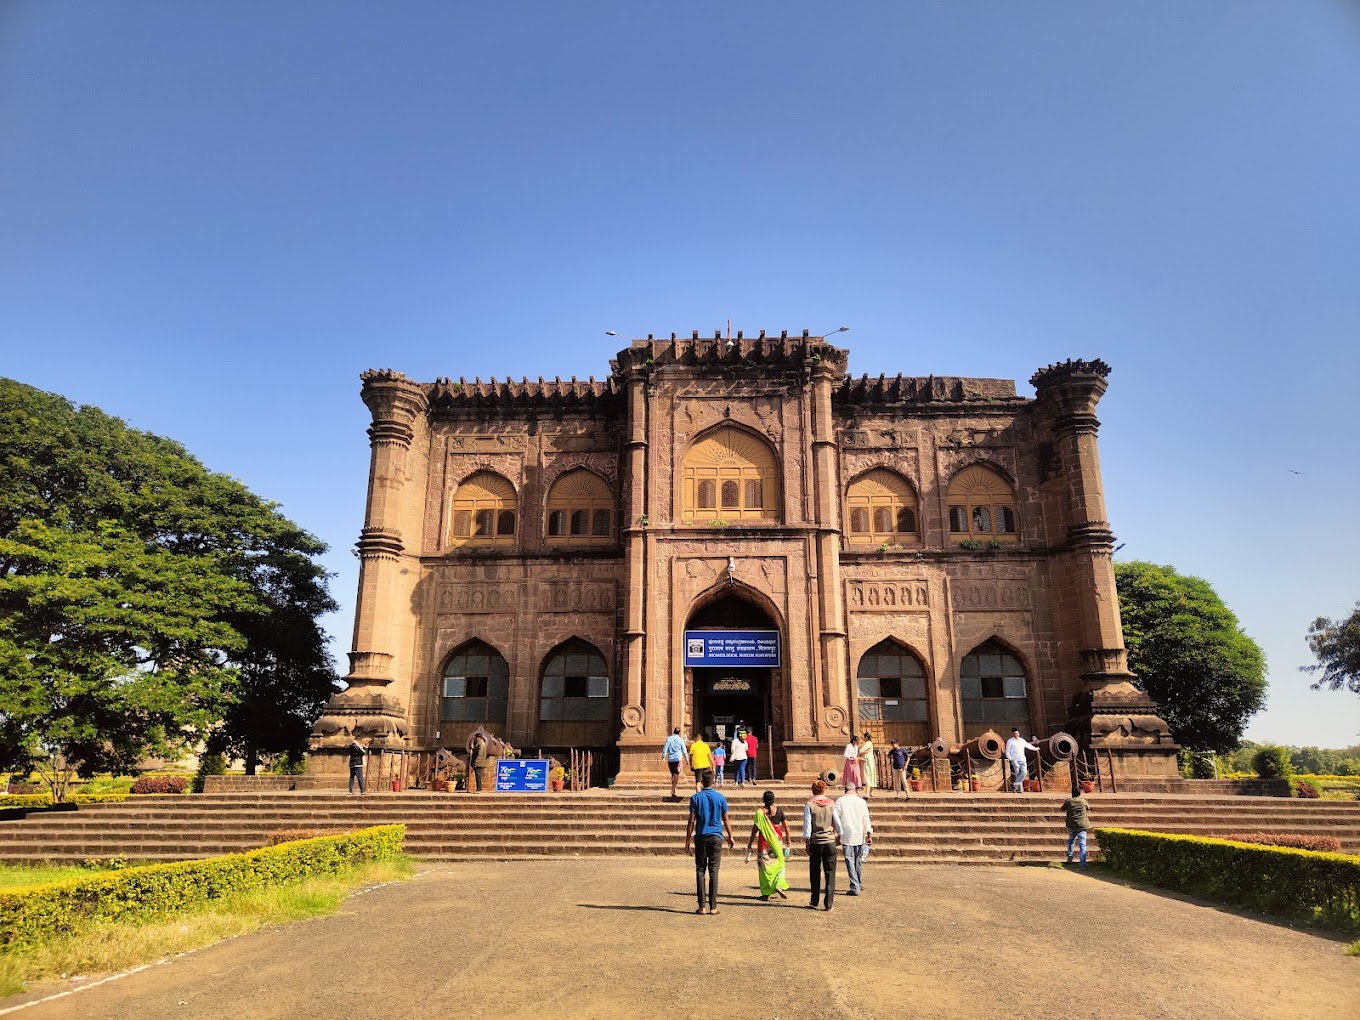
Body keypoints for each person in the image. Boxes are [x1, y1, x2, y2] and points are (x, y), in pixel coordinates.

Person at [683, 770, 735, 914]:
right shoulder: (720, 798)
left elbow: (691, 820)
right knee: (714, 871)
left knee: (700, 870)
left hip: (701, 836)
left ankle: (702, 906)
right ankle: (713, 907)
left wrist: (687, 840)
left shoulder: (695, 798)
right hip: (716, 836)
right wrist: (731, 836)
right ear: (713, 781)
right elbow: (726, 819)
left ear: (702, 782)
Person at [802, 779, 841, 911]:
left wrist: (807, 840)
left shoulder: (809, 805)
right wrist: (839, 835)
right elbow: (837, 822)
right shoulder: (831, 804)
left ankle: (814, 900)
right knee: (830, 872)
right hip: (829, 841)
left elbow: (808, 825)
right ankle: (828, 903)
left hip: (816, 841)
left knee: (815, 871)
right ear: (824, 790)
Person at [746, 789, 790, 901]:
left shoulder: (760, 813)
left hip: (764, 844)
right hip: (777, 842)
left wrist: (750, 843)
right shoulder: (779, 811)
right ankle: (778, 884)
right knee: (779, 865)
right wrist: (788, 842)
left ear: (763, 800)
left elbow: (755, 829)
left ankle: (766, 893)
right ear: (773, 800)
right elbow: (786, 827)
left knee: (764, 867)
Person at [833, 787, 873, 895]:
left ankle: (855, 886)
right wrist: (868, 833)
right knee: (857, 861)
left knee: (850, 860)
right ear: (854, 790)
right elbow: (866, 819)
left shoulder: (840, 801)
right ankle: (858, 883)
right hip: (859, 835)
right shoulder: (861, 802)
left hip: (846, 835)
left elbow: (836, 819)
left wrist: (837, 834)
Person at [1062, 785, 1092, 868]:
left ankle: (1070, 858)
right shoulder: (1083, 801)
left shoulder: (1069, 801)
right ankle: (1083, 864)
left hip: (1072, 825)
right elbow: (1088, 808)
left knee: (1071, 841)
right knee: (1082, 845)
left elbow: (1062, 808)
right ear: (1079, 794)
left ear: (1072, 794)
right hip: (1082, 825)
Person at [1005, 728, 1039, 793]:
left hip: (1022, 759)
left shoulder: (1022, 740)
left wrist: (1035, 749)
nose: (1016, 735)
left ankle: (1015, 785)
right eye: (1014, 734)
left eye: (1017, 733)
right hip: (1015, 759)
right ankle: (1020, 789)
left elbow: (1028, 745)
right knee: (1018, 774)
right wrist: (1011, 759)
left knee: (1024, 773)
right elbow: (1007, 752)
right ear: (1013, 734)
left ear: (1019, 733)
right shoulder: (1010, 741)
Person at [662, 727, 689, 801]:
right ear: (679, 732)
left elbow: (665, 748)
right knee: (676, 774)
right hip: (678, 759)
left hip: (670, 759)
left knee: (672, 774)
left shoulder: (669, 739)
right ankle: (673, 789)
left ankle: (673, 788)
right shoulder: (680, 740)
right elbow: (684, 750)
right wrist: (687, 759)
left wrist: (663, 757)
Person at [859, 731, 877, 797]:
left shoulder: (868, 743)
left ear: (866, 737)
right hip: (870, 760)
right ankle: (872, 792)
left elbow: (861, 751)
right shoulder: (870, 743)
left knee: (868, 775)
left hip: (868, 761)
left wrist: (862, 752)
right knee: (871, 775)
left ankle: (867, 793)